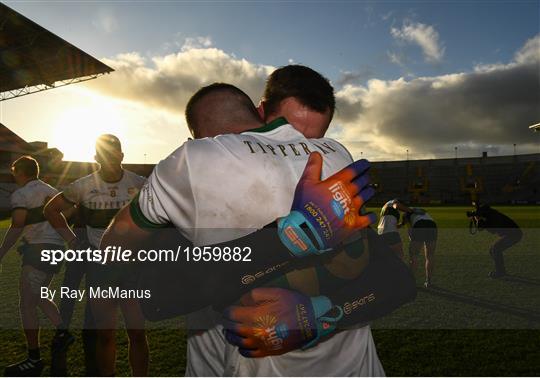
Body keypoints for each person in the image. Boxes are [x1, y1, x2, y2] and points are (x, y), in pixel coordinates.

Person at [44, 134, 147, 376]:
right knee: (105, 334)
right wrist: (72, 241)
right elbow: (51, 210)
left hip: (132, 267)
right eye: (103, 155)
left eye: (113, 154)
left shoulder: (140, 183)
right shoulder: (83, 185)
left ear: (122, 155)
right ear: (95, 158)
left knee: (137, 333)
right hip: (100, 267)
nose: (109, 160)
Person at [0, 156, 66, 376]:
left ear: (20, 172)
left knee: (26, 303)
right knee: (37, 296)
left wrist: (0, 253)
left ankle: (34, 358)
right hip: (56, 249)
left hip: (38, 250)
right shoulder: (52, 190)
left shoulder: (22, 194)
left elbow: (17, 225)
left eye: (14, 172)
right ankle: (62, 331)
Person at [469, 202, 522, 278]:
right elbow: (482, 228)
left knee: (496, 248)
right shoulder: (492, 215)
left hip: (514, 235)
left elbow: (487, 229)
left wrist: (478, 219)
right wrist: (476, 219)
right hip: (511, 234)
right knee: (492, 250)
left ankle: (500, 272)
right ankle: (501, 270)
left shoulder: (493, 217)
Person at [401, 208, 437, 287]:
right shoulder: (421, 210)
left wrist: (412, 240)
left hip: (420, 225)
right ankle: (429, 281)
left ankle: (411, 282)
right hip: (432, 225)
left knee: (413, 255)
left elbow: (410, 230)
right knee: (430, 255)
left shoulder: (406, 214)